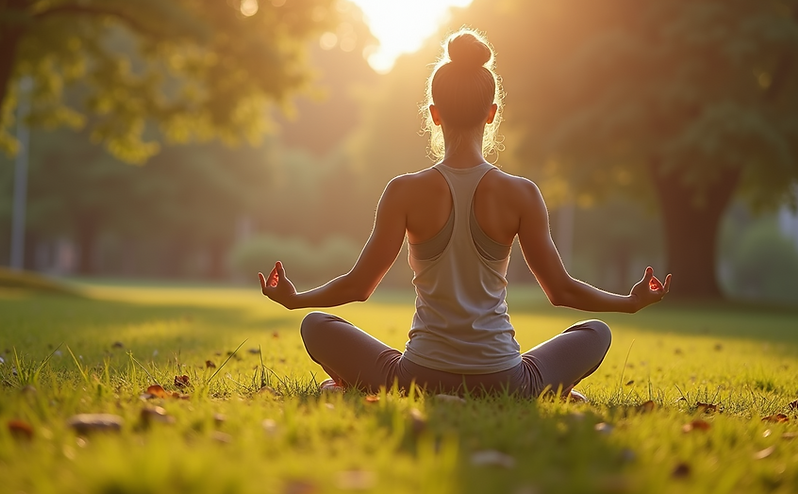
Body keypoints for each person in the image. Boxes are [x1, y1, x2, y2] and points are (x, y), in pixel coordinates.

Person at [258, 28, 671, 399]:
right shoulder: (522, 193)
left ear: (434, 114)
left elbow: (359, 286)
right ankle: (545, 394)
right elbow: (561, 291)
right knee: (596, 333)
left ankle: (350, 387)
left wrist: (296, 300)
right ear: (492, 113)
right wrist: (628, 303)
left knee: (317, 324)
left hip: (419, 377)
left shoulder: (403, 191)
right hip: (503, 380)